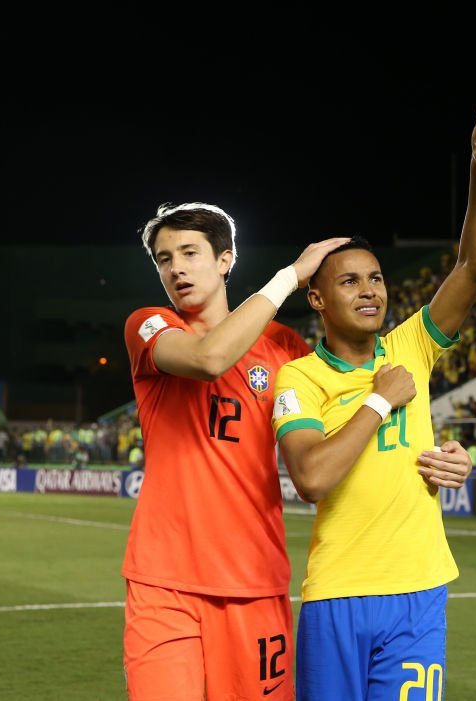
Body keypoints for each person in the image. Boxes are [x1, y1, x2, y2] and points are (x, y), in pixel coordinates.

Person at [272, 97, 476, 700]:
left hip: (420, 593)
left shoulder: (412, 346)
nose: (369, 290)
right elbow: (312, 478)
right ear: (320, 301)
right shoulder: (298, 378)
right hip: (338, 595)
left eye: (375, 278)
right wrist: (378, 403)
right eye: (349, 281)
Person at [121, 200, 351, 701]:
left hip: (254, 581)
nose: (176, 267)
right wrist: (289, 277)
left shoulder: (284, 345)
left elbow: (344, 417)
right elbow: (209, 358)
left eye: (189, 252)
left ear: (225, 260)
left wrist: (440, 450)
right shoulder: (149, 325)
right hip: (164, 584)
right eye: (163, 258)